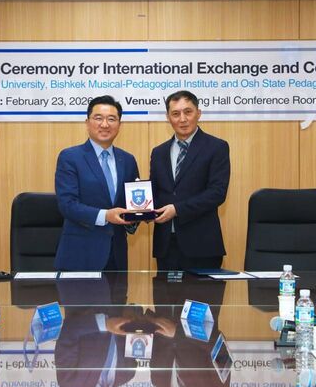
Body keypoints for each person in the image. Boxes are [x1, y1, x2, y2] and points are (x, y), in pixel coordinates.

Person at [54, 95, 139, 271]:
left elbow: (131, 203)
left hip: (117, 256)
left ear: (119, 124)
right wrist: (106, 215)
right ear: (87, 122)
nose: (105, 124)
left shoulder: (128, 160)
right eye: (98, 118)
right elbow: (67, 204)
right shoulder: (70, 157)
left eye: (111, 119)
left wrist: (138, 215)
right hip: (81, 254)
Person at [150, 91, 230, 270]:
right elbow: (155, 193)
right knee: (163, 290)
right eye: (175, 114)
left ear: (198, 113)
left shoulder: (216, 147)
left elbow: (217, 193)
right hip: (166, 246)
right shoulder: (159, 152)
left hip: (201, 245)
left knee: (202, 290)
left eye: (188, 112)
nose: (182, 119)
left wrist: (177, 209)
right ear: (168, 118)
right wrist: (141, 210)